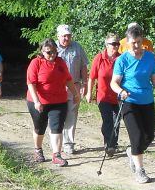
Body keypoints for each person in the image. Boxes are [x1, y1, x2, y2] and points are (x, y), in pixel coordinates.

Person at [110, 25, 155, 184]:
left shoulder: (149, 57)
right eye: (133, 43)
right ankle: (140, 170)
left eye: (139, 42)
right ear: (127, 43)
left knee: (149, 135)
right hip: (128, 100)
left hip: (147, 100)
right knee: (137, 136)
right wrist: (121, 91)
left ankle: (132, 151)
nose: (137, 46)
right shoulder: (122, 60)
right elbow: (114, 82)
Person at [26, 39, 80, 167]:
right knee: (40, 127)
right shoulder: (36, 63)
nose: (52, 55)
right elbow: (31, 83)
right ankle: (38, 150)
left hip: (59, 101)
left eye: (55, 52)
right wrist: (36, 101)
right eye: (49, 52)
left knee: (57, 128)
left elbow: (68, 79)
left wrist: (75, 94)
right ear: (42, 51)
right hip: (40, 101)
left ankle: (57, 155)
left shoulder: (60, 62)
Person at [86, 32, 122, 157]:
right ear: (107, 44)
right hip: (103, 96)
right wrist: (89, 93)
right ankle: (109, 144)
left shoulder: (121, 58)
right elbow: (91, 78)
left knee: (116, 121)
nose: (116, 46)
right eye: (113, 44)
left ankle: (113, 143)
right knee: (108, 121)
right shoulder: (99, 58)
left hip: (118, 96)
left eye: (118, 43)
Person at [55, 24, 89, 156]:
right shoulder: (53, 48)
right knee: (57, 114)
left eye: (68, 35)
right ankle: (56, 142)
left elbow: (83, 66)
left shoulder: (77, 47)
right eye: (64, 35)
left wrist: (84, 83)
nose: (66, 38)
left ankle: (68, 144)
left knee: (71, 114)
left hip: (74, 85)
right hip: (57, 86)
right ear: (58, 36)